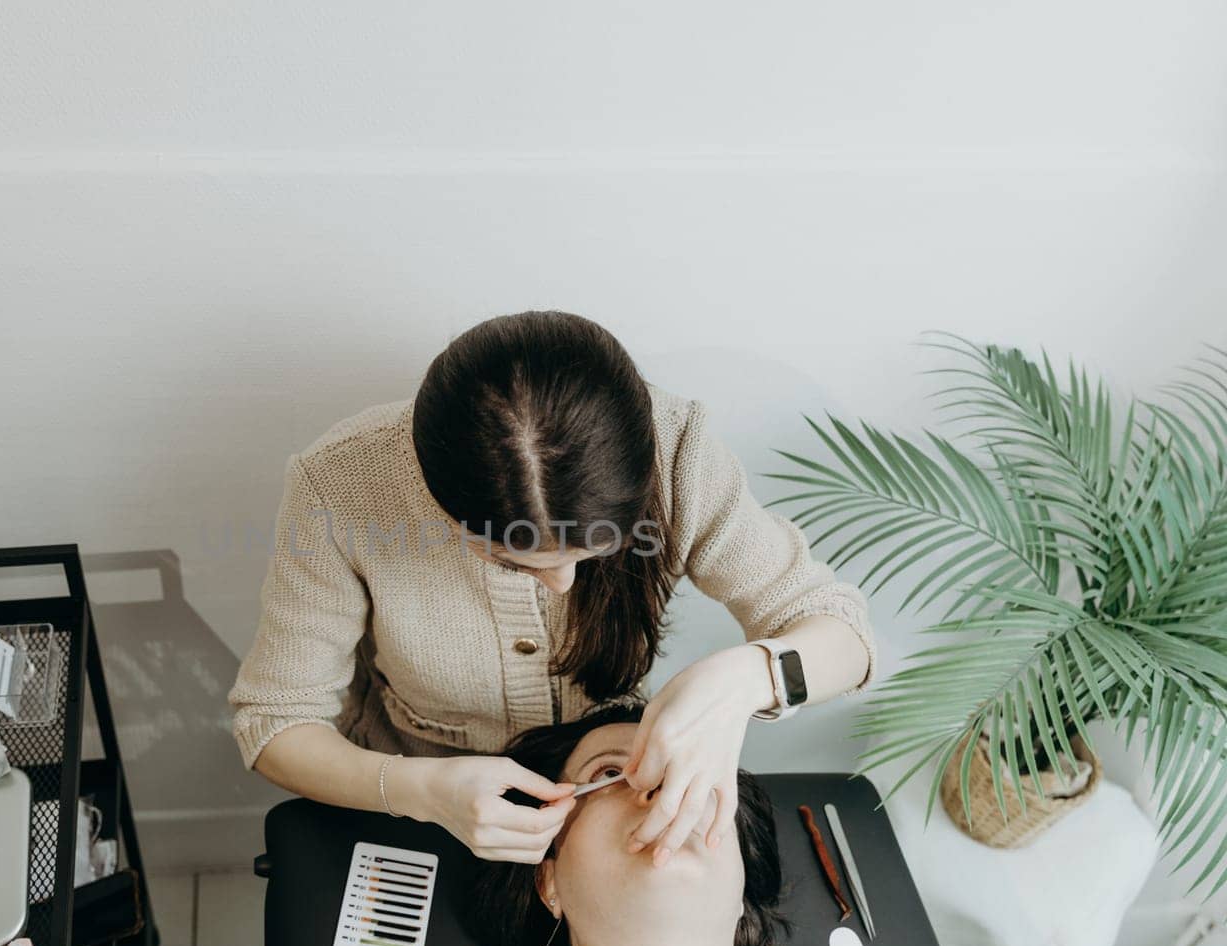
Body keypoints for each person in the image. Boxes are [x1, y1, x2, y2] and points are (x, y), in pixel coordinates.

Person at [230, 310, 876, 865]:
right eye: (510, 558)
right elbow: (276, 724)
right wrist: (423, 791)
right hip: (419, 810)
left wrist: (746, 679)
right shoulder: (341, 487)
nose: (563, 583)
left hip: (609, 807)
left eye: (591, 552)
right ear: (436, 500)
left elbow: (842, 635)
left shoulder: (679, 452)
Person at [377, 702, 986, 946]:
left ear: (742, 878)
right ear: (549, 880)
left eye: (687, 781)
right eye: (609, 772)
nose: (660, 794)